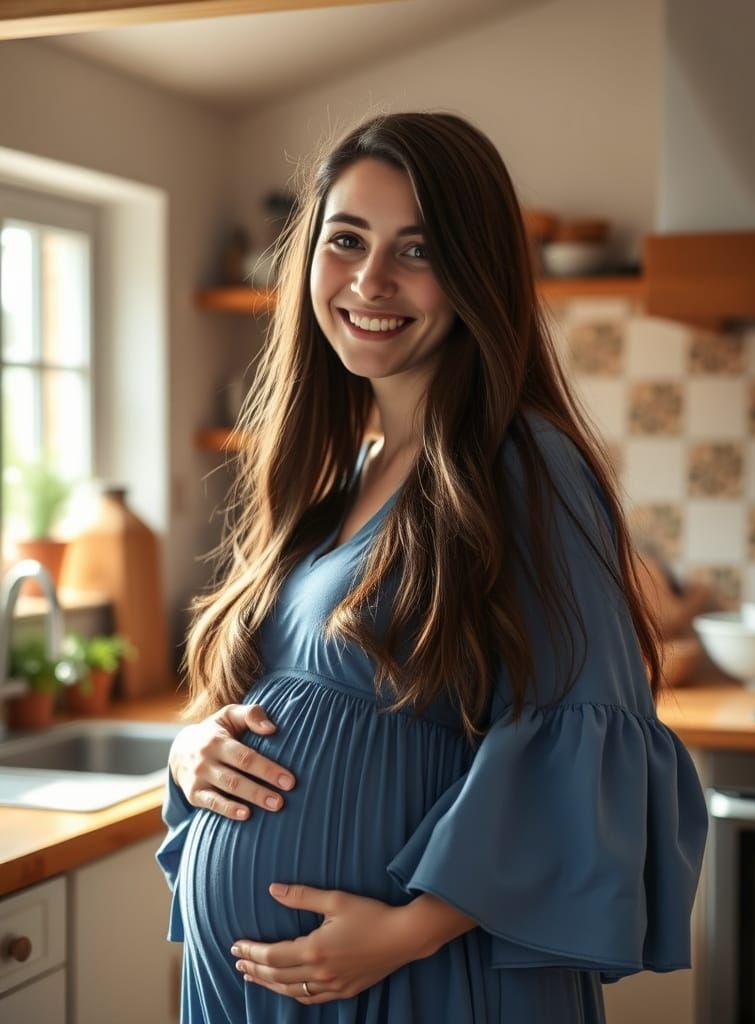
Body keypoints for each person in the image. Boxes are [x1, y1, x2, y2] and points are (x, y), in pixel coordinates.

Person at [156, 111, 708, 1023]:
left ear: (475, 273)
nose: (371, 279)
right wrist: (189, 753)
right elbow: (285, 693)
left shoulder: (524, 463)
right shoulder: (347, 476)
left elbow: (585, 738)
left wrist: (412, 931)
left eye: (418, 249)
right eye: (347, 239)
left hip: (426, 985)